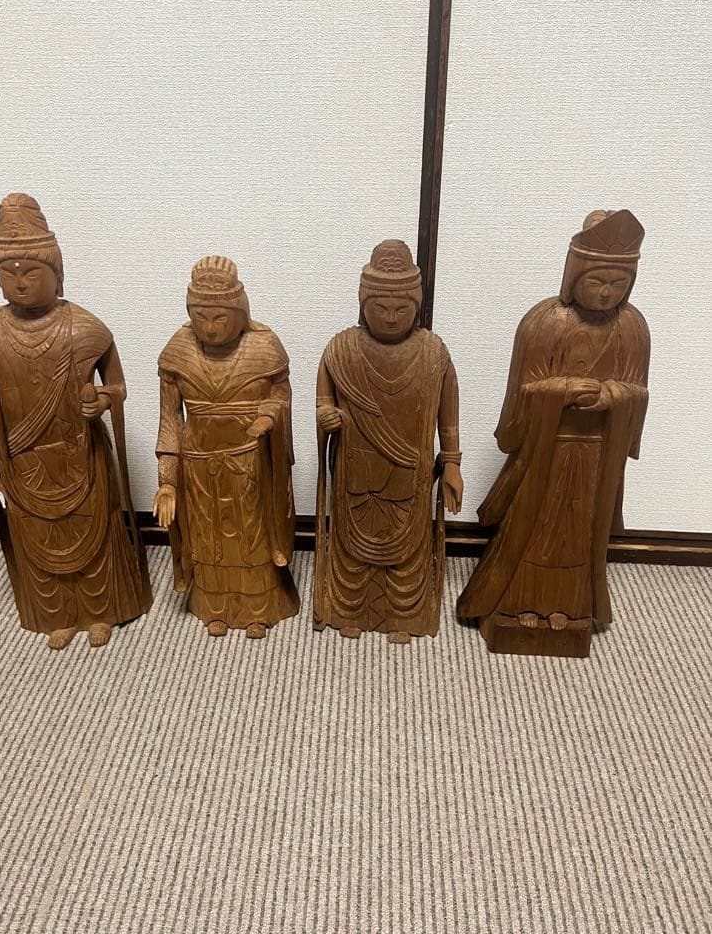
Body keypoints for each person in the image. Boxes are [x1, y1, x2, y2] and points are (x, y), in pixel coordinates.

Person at [456, 209, 649, 656]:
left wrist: (615, 395)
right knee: (534, 527)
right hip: (547, 449)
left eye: (618, 284)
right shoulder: (547, 321)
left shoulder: (633, 328)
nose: (607, 292)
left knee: (579, 532)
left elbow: (638, 390)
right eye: (597, 281)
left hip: (596, 453)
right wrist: (561, 390)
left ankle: (568, 606)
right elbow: (524, 389)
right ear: (574, 274)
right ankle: (519, 601)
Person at [0, 193, 151, 650]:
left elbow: (118, 385)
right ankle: (58, 615)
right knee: (40, 538)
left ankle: (101, 610)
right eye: (8, 274)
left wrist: (103, 400)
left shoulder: (85, 328)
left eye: (32, 272)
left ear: (57, 273)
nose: (20, 283)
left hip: (80, 454)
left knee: (94, 533)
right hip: (22, 464)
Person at [314, 240, 463, 643]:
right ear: (363, 304)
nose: (391, 317)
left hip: (409, 471)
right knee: (352, 547)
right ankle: (349, 609)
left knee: (407, 550)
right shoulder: (341, 350)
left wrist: (451, 462)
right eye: (380, 308)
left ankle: (404, 615)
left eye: (402, 308)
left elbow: (448, 413)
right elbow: (324, 401)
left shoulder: (433, 352)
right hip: (356, 469)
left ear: (417, 305)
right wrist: (326, 417)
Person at [154, 256, 298, 639]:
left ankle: (258, 609)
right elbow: (170, 422)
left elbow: (281, 394)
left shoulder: (264, 346)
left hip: (250, 463)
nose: (211, 327)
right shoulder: (178, 352)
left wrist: (269, 415)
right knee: (209, 540)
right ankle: (214, 606)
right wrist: (167, 482)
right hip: (199, 469)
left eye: (220, 318)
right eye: (201, 317)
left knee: (252, 538)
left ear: (240, 312)